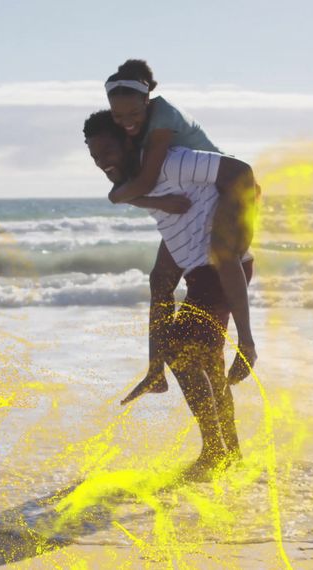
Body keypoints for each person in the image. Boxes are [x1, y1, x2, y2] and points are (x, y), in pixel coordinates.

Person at [84, 110, 256, 477]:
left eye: (108, 153)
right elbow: (160, 281)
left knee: (182, 349)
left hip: (220, 272)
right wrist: (153, 364)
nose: (103, 163)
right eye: (95, 157)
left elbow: (238, 171)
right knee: (204, 357)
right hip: (201, 272)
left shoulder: (173, 162)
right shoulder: (135, 179)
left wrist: (248, 341)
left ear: (129, 142)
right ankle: (231, 453)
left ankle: (215, 452)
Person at [104, 59, 259, 391]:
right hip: (209, 191)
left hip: (233, 188)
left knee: (223, 253)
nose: (127, 122)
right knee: (160, 279)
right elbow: (143, 186)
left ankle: (247, 346)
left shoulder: (161, 123)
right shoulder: (136, 130)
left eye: (133, 114)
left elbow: (144, 180)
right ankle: (155, 371)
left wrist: (121, 197)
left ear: (147, 102)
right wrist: (154, 202)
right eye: (118, 117)